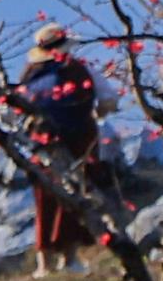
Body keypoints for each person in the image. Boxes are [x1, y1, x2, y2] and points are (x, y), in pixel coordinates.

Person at [15, 24, 102, 268]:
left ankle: (44, 262)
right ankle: (69, 258)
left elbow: (16, 107)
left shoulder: (29, 74)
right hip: (79, 139)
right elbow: (108, 99)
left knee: (45, 197)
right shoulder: (79, 70)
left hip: (42, 141)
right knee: (74, 194)